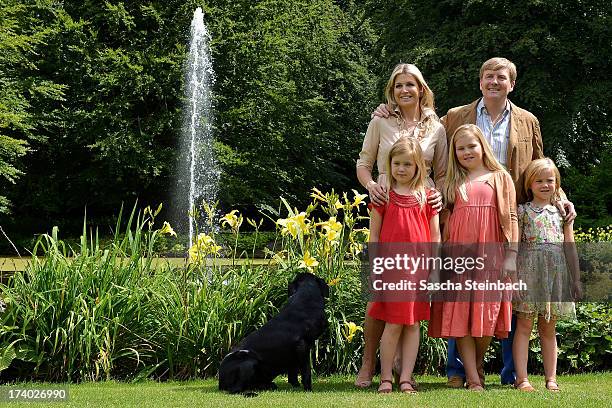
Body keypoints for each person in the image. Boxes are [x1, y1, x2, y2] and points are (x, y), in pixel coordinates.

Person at [373, 57, 576, 387]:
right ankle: (462, 373)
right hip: (459, 227)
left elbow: (542, 166)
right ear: (480, 81)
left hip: (508, 223)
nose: (493, 82)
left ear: (512, 83)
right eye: (487, 76)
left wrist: (559, 197)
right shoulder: (456, 116)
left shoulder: (527, 121)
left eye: (501, 77)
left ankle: (510, 375)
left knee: (496, 307)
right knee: (459, 305)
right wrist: (390, 110)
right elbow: (418, 132)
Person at [355, 63, 447, 388]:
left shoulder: (437, 126)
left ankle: (401, 373)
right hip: (386, 200)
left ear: (421, 88)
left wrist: (439, 197)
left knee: (409, 313)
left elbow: (443, 171)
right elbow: (364, 163)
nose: (405, 90)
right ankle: (370, 364)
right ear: (392, 91)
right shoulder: (380, 119)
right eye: (398, 86)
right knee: (377, 301)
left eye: (411, 84)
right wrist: (372, 187)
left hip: (421, 207)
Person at [428, 124, 517, 391]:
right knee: (460, 316)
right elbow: (442, 220)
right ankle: (474, 378)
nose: (466, 152)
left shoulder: (500, 177)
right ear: (454, 153)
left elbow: (511, 217)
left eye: (471, 146)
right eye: (460, 148)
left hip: (491, 254)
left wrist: (511, 254)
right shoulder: (452, 182)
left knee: (487, 317)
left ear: (482, 146)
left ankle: (475, 364)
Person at [367, 137, 440, 393]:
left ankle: (406, 377)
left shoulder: (427, 197)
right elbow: (374, 235)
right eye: (397, 163)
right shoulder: (383, 197)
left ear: (418, 166)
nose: (401, 169)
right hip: (392, 268)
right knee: (394, 322)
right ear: (389, 164)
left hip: (419, 269)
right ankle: (386, 376)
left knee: (412, 324)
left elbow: (435, 237)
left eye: (407, 164)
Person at [512, 158, 581, 392]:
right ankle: (522, 379)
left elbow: (569, 246)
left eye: (549, 180)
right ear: (529, 185)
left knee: (549, 328)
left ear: (556, 183)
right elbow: (516, 246)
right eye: (538, 181)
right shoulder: (523, 212)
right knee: (523, 325)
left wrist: (576, 279)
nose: (544, 185)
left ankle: (551, 378)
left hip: (555, 275)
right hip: (528, 274)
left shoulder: (562, 213)